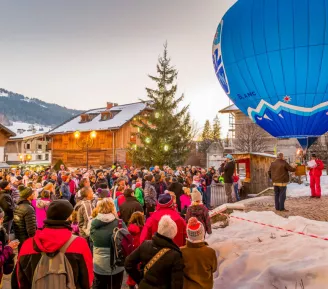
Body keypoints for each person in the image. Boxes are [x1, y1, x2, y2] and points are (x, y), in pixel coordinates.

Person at [12, 200, 94, 289]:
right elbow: (87, 278)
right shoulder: (79, 243)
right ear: (68, 217)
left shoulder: (28, 245)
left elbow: (19, 278)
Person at [125, 215, 184, 289]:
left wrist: (140, 279)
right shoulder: (175, 255)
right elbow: (177, 284)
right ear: (174, 233)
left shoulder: (145, 245)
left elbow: (128, 263)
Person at [90, 198, 125, 289]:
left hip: (99, 265)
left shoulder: (93, 224)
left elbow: (91, 239)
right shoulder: (120, 223)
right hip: (117, 264)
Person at [180, 217, 217, 289]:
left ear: (188, 234)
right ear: (202, 232)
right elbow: (214, 269)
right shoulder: (210, 252)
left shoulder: (181, 251)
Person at [13, 185, 36, 251]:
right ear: (29, 196)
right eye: (33, 194)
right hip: (26, 238)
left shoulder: (18, 205)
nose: (34, 195)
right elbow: (31, 229)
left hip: (19, 236)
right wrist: (32, 240)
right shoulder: (28, 208)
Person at [126, 211, 144, 289]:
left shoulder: (129, 229)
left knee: (132, 270)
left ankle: (131, 284)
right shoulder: (143, 228)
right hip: (141, 252)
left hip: (131, 252)